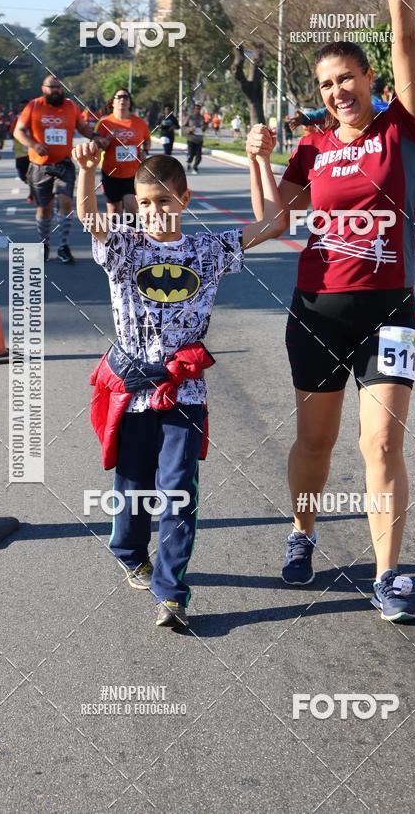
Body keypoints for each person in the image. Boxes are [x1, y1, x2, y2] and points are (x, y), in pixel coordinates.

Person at [246, 0, 415, 624]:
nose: (336, 91)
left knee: (380, 441)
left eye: (346, 77)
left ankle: (389, 575)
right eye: (325, 84)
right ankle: (302, 533)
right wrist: (262, 158)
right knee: (316, 440)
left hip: (390, 311)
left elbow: (405, 32)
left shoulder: (401, 128)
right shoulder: (313, 149)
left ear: (370, 76)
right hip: (317, 310)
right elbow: (271, 222)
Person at [73, 148, 284, 629]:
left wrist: (260, 161)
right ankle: (128, 551)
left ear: (185, 199)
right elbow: (89, 219)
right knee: (131, 488)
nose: (154, 213)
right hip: (130, 389)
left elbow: (274, 224)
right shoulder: (125, 245)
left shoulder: (208, 252)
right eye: (146, 203)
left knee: (177, 492)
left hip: (183, 393)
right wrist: (86, 171)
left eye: (164, 202)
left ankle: (170, 594)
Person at [13, 75, 104, 263]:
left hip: (64, 164)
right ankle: (44, 244)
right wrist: (34, 145)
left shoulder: (71, 106)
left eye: (59, 87)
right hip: (40, 165)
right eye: (52, 87)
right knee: (44, 208)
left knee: (65, 202)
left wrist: (96, 137)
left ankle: (64, 246)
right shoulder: (34, 106)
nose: (56, 90)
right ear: (43, 88)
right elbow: (18, 131)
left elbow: (83, 128)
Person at [94, 88, 150, 219]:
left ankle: (133, 238)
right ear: (112, 102)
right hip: (110, 173)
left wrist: (145, 151)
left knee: (132, 208)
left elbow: (147, 140)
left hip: (132, 173)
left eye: (126, 97)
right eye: (118, 97)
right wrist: (106, 140)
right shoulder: (104, 123)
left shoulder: (139, 123)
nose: (122, 100)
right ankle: (115, 238)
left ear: (130, 102)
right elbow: (96, 147)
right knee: (114, 211)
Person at [10, 100, 32, 196]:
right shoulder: (18, 119)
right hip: (20, 150)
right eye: (22, 107)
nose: (24, 109)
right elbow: (12, 132)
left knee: (33, 172)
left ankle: (33, 190)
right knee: (21, 173)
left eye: (26, 107)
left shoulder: (35, 118)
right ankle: (30, 184)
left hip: (33, 150)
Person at [185, 102, 207, 174]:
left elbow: (204, 127)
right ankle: (189, 162)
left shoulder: (202, 117)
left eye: (199, 109)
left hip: (199, 139)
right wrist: (189, 129)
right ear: (194, 109)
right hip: (191, 138)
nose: (197, 110)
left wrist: (204, 128)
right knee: (191, 154)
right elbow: (184, 126)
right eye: (196, 109)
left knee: (199, 156)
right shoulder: (190, 117)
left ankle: (195, 167)